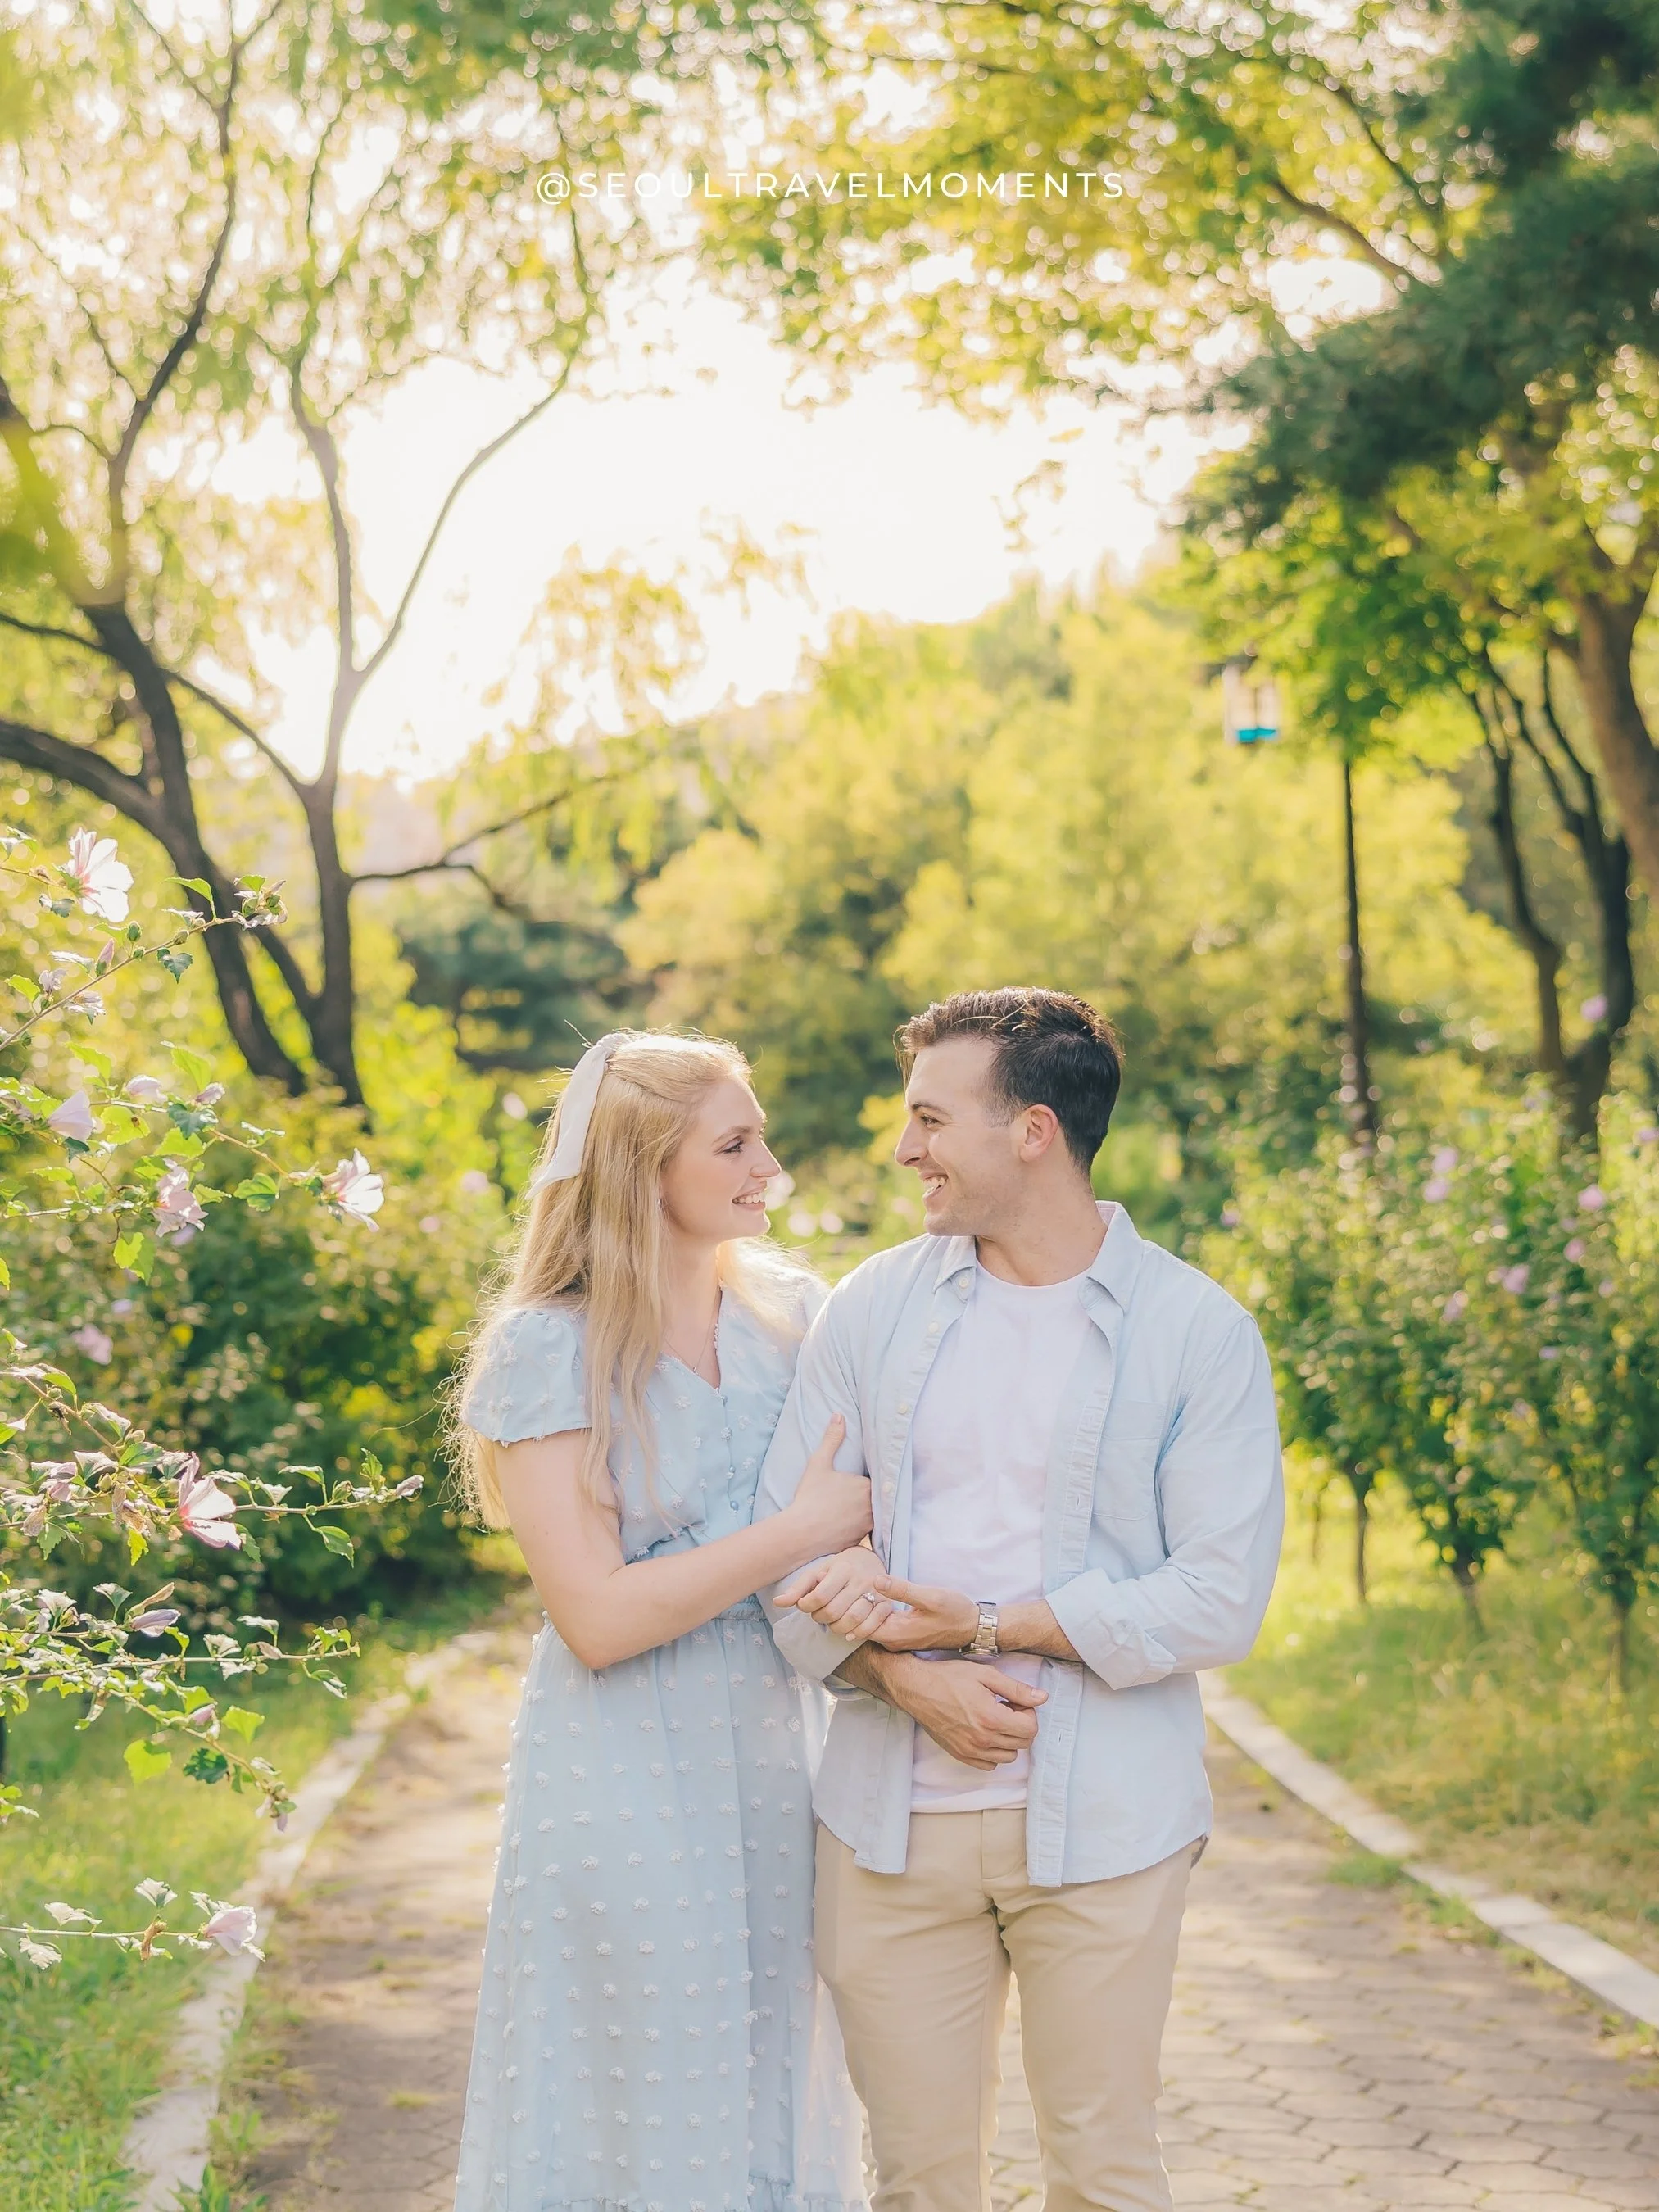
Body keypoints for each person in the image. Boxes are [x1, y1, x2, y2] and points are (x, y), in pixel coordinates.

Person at [755, 988, 1285, 2212]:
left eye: (932, 1119)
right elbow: (784, 1558)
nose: (906, 1149)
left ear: (1033, 1131)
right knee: (920, 2187)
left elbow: (1216, 1602)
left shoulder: (1197, 1334)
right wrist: (903, 1676)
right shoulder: (872, 1310)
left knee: (1103, 2176)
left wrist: (984, 1626)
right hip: (889, 1830)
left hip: (1105, 1826)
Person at [449, 1030, 873, 2212]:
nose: (770, 1167)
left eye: (762, 1137)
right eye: (735, 1144)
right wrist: (798, 1533)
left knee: (775, 2075)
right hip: (621, 1773)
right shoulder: (552, 1348)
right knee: (641, 2098)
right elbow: (595, 1616)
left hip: (780, 1761)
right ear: (645, 1169)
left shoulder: (795, 1316)